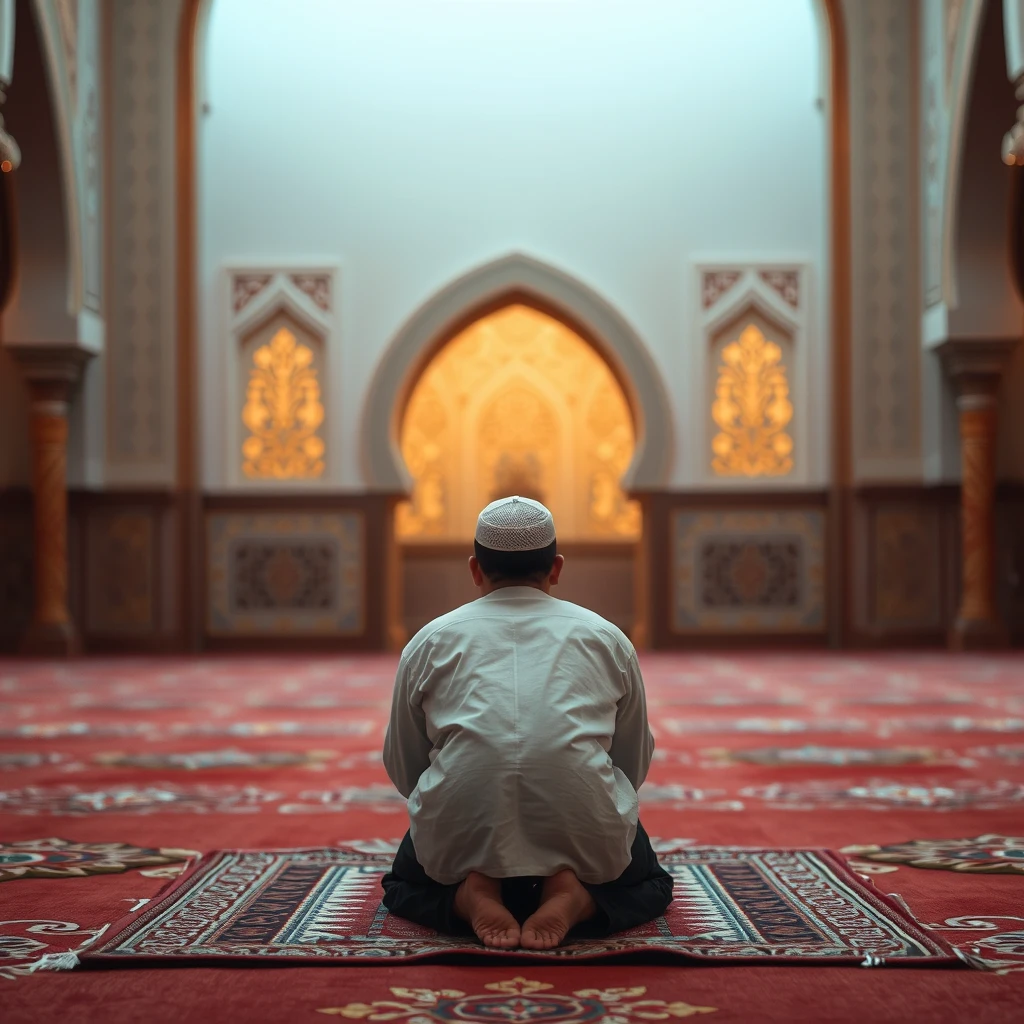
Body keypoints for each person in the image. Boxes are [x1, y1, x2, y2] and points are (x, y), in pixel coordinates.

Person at [381, 495, 672, 949]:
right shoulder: (606, 637)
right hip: (584, 830)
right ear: (556, 568)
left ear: (475, 570)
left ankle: (470, 891)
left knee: (403, 885)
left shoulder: (429, 641)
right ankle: (574, 894)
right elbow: (631, 763)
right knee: (651, 883)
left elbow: (404, 767)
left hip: (461, 832)